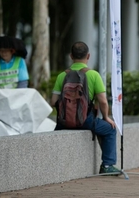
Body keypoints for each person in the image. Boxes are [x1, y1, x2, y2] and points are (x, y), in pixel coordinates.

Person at [50, 41, 118, 175]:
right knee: (110, 129)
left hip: (63, 122)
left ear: (71, 56)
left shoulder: (62, 75)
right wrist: (106, 117)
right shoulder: (93, 75)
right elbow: (103, 101)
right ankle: (107, 165)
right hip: (85, 122)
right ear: (88, 56)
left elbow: (53, 102)